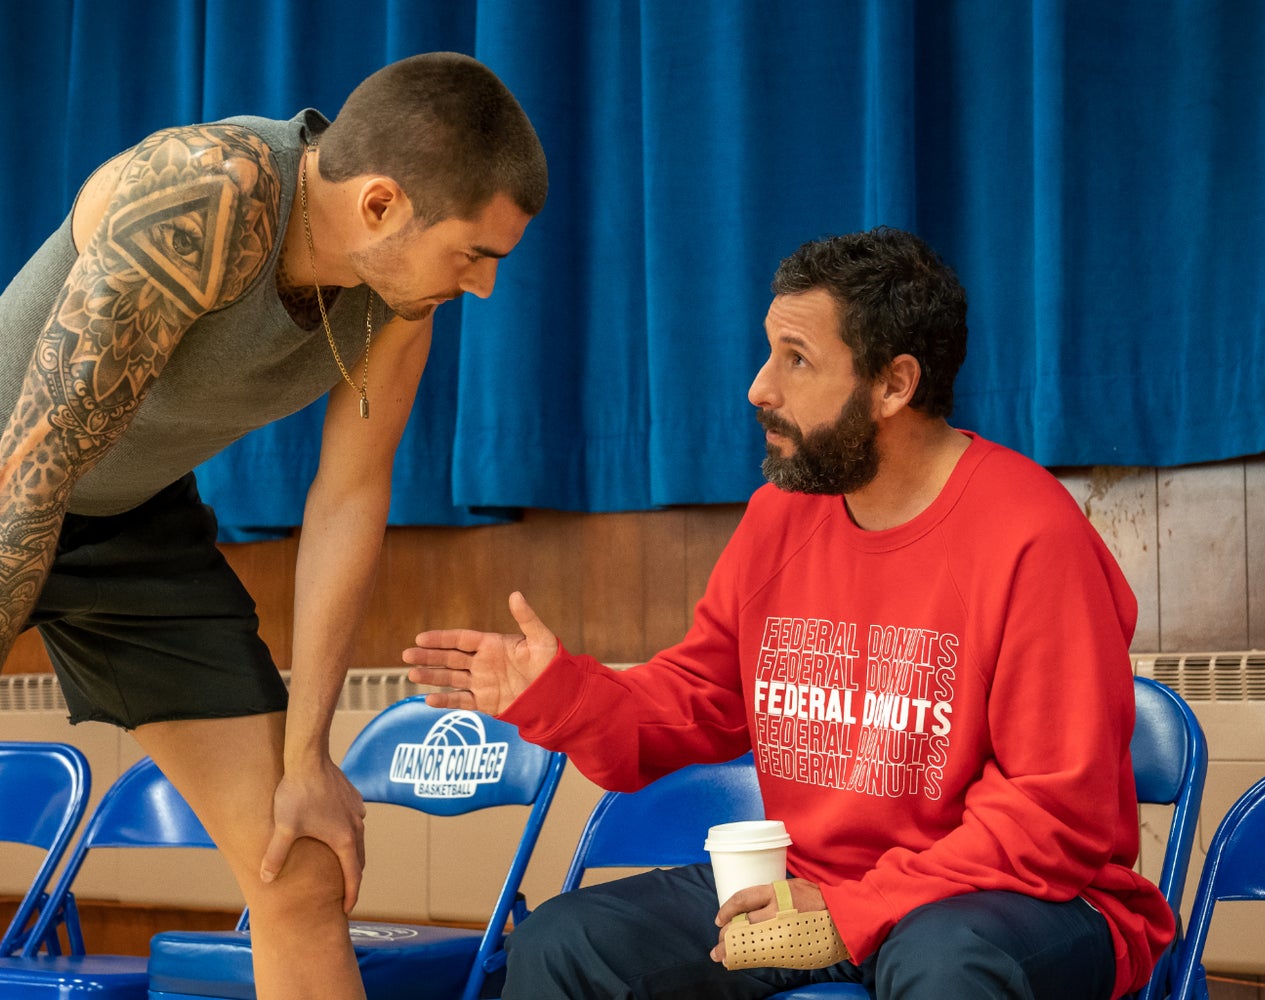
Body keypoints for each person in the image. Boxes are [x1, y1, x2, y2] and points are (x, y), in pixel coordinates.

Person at [0, 52, 545, 999]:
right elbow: (28, 477)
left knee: (297, 862)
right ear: (382, 205)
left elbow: (349, 499)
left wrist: (308, 759)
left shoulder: (400, 296)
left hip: (132, 513)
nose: (482, 287)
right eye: (476, 254)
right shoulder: (201, 199)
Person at [404, 228, 1175, 1000]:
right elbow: (699, 700)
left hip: (1023, 901)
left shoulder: (1032, 534)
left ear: (894, 385)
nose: (759, 388)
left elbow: (1050, 817)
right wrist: (561, 695)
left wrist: (855, 911)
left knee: (946, 967)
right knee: (565, 944)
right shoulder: (781, 515)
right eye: (770, 352)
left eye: (796, 359)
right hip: (811, 888)